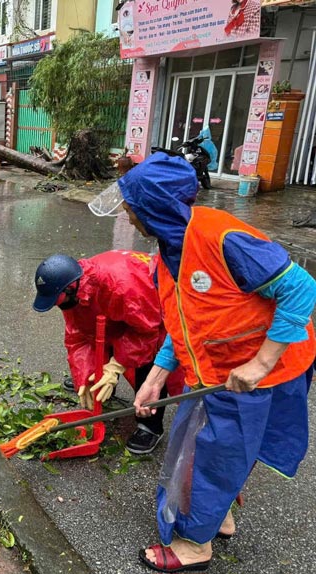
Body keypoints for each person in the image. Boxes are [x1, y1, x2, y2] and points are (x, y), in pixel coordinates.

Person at [89, 152, 316, 572]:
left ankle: (195, 546)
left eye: (130, 204)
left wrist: (260, 365)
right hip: (217, 371)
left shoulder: (222, 239)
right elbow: (185, 324)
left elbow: (301, 290)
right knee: (214, 450)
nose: (126, 213)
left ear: (153, 207)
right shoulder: (165, 255)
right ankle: (216, 516)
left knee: (210, 455)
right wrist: (155, 378)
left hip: (258, 374)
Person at [33, 252, 186, 454]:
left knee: (149, 365)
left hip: (150, 312)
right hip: (122, 310)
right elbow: (78, 335)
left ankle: (149, 425)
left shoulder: (122, 285)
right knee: (102, 335)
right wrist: (86, 378)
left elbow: (147, 331)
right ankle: (103, 386)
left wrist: (114, 367)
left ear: (71, 288)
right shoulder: (72, 292)